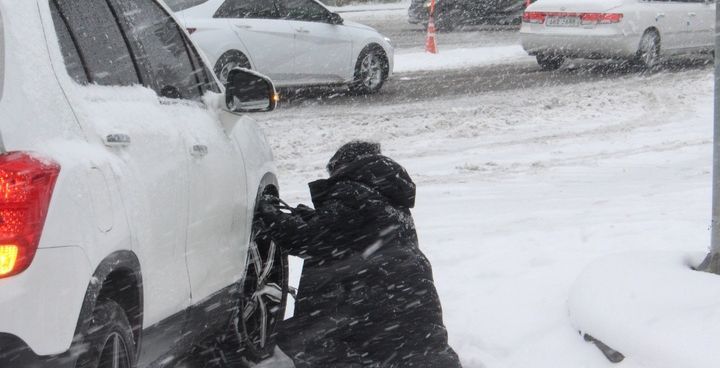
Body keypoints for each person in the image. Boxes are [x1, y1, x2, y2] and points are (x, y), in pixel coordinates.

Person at [258, 141, 462, 368]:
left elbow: (308, 239)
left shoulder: (352, 193)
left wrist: (267, 213)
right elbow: (349, 233)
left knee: (296, 342)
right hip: (407, 313)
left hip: (373, 317)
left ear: (342, 166)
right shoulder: (387, 198)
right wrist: (312, 216)